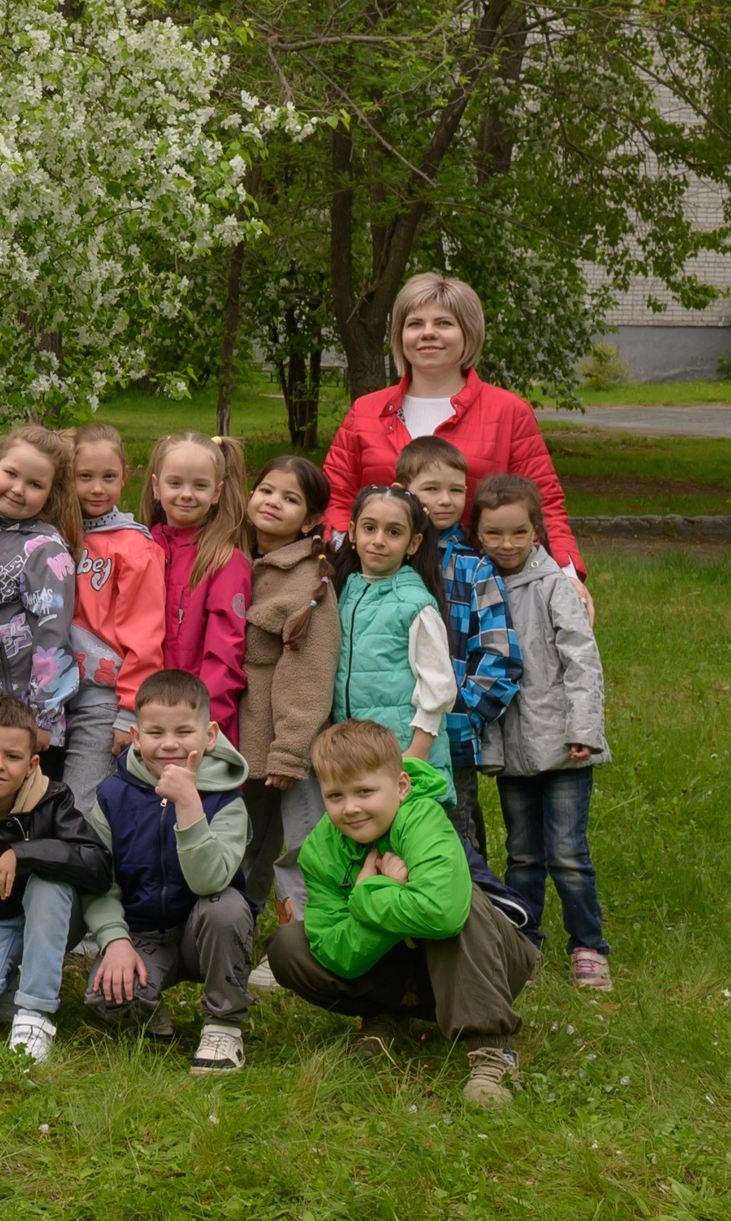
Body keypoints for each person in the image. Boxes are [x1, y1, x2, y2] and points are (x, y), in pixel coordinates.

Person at [263, 720, 538, 1109]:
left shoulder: (423, 818)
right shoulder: (321, 849)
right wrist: (384, 891)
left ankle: (491, 1052)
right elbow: (334, 951)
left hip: (484, 967)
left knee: (464, 903)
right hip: (405, 972)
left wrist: (365, 898)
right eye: (335, 795)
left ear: (402, 786)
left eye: (365, 791)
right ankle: (385, 1015)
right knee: (289, 945)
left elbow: (442, 913)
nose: (351, 807)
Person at [323, 270, 587, 604]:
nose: (428, 333)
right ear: (400, 335)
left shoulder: (509, 412)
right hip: (376, 593)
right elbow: (333, 500)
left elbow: (544, 504)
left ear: (468, 334)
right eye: (415, 324)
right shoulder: (365, 411)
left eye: (444, 323)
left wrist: (567, 576)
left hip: (479, 593)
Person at [472, 474, 612, 991]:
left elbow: (582, 660)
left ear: (536, 531)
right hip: (512, 750)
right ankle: (523, 944)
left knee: (568, 853)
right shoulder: (479, 585)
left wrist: (585, 730)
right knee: (523, 853)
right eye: (494, 534)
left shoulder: (555, 585)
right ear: (478, 533)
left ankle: (588, 947)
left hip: (565, 745)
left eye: (518, 532)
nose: (507, 544)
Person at [79, 670, 257, 1072]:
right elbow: (97, 881)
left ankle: (223, 1025)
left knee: (225, 906)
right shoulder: (111, 796)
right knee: (106, 998)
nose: (170, 743)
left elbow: (210, 880)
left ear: (210, 735)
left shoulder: (228, 801)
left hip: (204, 933)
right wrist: (114, 940)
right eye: (156, 732)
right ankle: (148, 1008)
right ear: (136, 737)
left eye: (183, 731)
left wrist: (189, 804)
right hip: (143, 936)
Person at [0, 692, 113, 1061]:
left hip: (57, 918)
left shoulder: (54, 801)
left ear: (31, 765)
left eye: (12, 757)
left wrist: (25, 853)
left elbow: (99, 866)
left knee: (49, 880)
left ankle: (35, 1013)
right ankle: (16, 997)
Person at [395, 435, 521, 866]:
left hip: (452, 736)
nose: (446, 501)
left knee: (456, 838)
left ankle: (481, 926)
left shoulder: (473, 566)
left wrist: (459, 716)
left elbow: (499, 657)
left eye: (457, 489)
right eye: (431, 489)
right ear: (403, 491)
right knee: (395, 838)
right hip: (386, 733)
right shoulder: (384, 560)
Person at [236, 455, 340, 932]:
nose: (274, 502)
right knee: (247, 840)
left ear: (312, 519)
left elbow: (309, 671)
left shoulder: (307, 581)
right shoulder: (233, 555)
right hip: (239, 736)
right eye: (267, 490)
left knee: (300, 845)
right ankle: (242, 922)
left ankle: (302, 936)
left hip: (283, 741)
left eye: (291, 499)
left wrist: (292, 749)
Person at [328, 483, 459, 784]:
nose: (378, 541)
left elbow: (438, 684)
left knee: (409, 829)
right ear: (351, 532)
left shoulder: (415, 603)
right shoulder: (345, 589)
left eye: (394, 532)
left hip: (405, 752)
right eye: (370, 528)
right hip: (354, 751)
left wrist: (418, 751)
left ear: (413, 544)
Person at [0, 425, 82, 757]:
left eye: (34, 484)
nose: (18, 489)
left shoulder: (45, 551)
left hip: (25, 720)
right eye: (11, 474)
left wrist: (43, 718)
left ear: (51, 494)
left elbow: (53, 636)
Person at [67, 423, 165, 804]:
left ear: (126, 477)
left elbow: (145, 635)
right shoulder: (59, 535)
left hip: (102, 701)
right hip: (53, 699)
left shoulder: (135, 548)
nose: (97, 488)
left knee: (82, 803)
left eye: (109, 477)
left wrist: (129, 711)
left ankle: (85, 863)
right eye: (84, 477)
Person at [142, 431, 251, 744]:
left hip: (198, 726)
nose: (186, 494)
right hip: (143, 718)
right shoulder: (140, 547)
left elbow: (225, 654)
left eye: (200, 485)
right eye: (175, 483)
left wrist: (203, 722)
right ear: (155, 486)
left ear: (217, 492)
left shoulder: (225, 561)